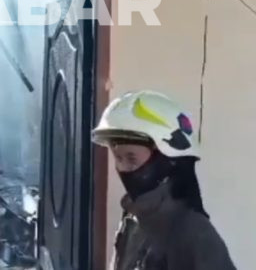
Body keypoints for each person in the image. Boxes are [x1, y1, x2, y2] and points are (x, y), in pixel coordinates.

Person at [91, 90, 237, 270]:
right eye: (118, 158)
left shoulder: (196, 233)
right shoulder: (133, 220)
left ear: (165, 160)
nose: (123, 169)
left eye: (132, 159)